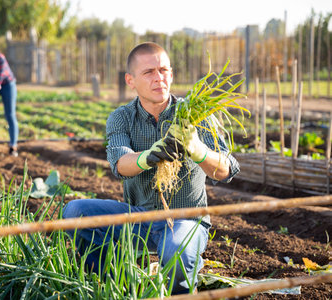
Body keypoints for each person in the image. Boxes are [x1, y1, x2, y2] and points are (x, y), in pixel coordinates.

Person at [62, 42, 240, 294]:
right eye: (148, 72)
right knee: (75, 211)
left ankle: (179, 289)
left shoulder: (195, 113)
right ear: (130, 80)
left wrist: (197, 149)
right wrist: (149, 156)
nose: (159, 78)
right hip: (139, 218)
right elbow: (120, 164)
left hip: (186, 221)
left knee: (176, 249)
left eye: (164, 70)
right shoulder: (122, 117)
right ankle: (118, 285)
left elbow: (227, 170)